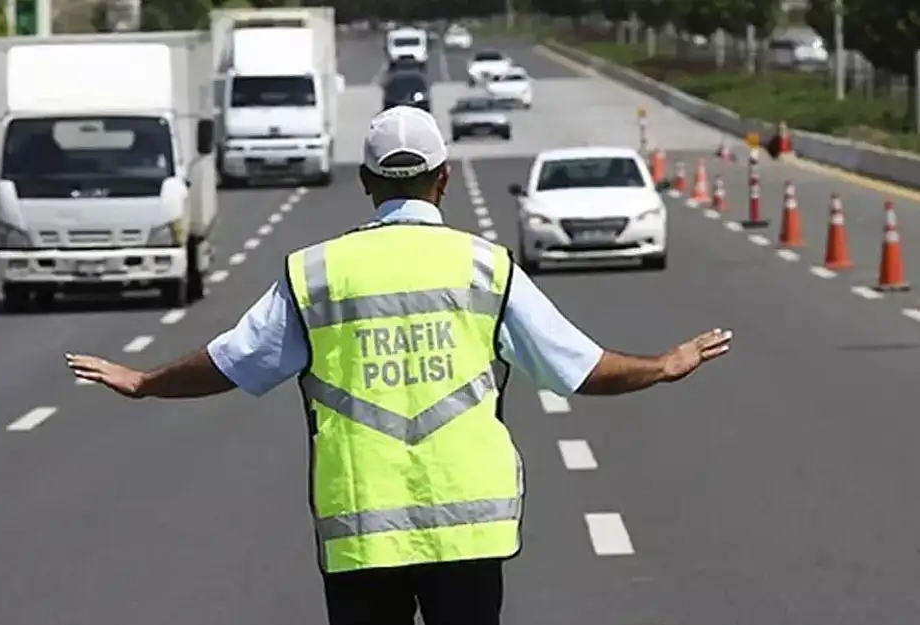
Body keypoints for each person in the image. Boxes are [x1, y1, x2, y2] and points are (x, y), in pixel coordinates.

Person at [66, 105, 733, 625]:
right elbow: (578, 368)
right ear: (443, 179)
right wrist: (663, 364)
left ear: (365, 183)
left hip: (361, 529)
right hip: (469, 531)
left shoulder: (317, 273)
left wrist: (145, 382)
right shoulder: (485, 267)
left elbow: (234, 361)